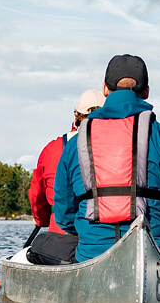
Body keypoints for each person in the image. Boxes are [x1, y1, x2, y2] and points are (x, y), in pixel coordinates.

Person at [54, 54, 160, 265]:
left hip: (91, 256)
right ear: (146, 92)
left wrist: (90, 233)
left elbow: (64, 214)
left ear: (105, 89)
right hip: (152, 258)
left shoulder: (75, 144)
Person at [28, 89, 106, 235]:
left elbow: (37, 194)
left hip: (60, 232)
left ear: (76, 115)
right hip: (102, 233)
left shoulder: (51, 149)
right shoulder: (116, 146)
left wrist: (41, 220)